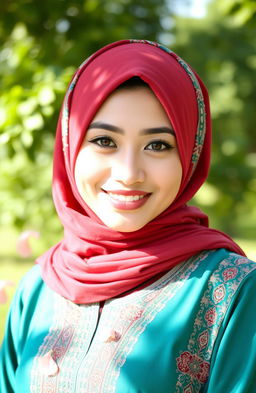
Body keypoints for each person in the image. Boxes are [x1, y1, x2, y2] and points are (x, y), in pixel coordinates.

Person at [0, 39, 256, 393]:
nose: (129, 172)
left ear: (190, 153)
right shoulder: (39, 288)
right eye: (105, 140)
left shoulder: (232, 291)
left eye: (158, 145)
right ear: (70, 145)